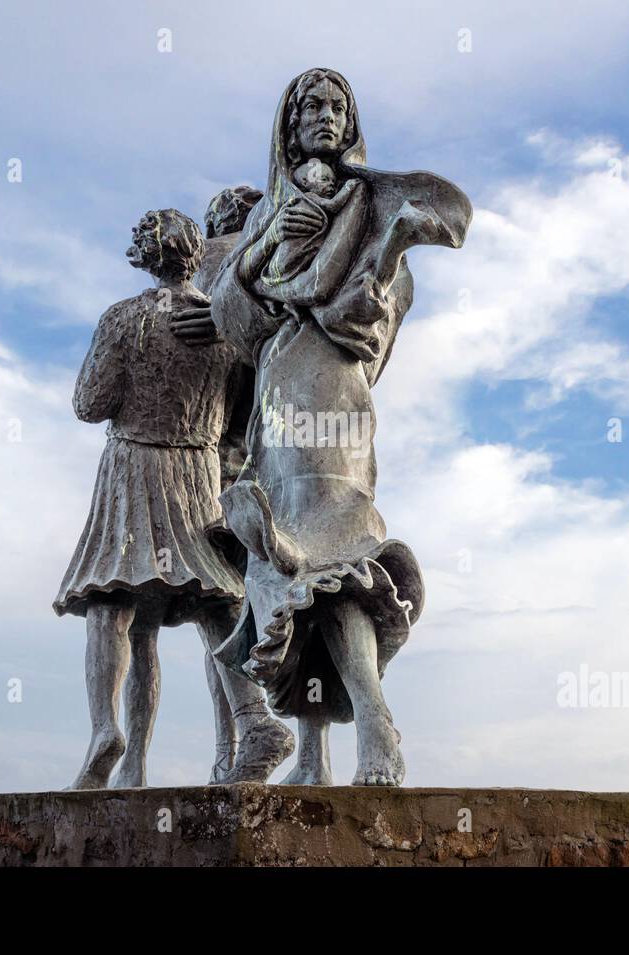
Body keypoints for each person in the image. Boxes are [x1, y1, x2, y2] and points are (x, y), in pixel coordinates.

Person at [189, 68, 471, 786]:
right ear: (288, 125)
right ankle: (313, 752)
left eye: (336, 106)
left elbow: (373, 327)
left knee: (330, 551)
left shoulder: (371, 203)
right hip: (279, 397)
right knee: (283, 564)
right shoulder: (267, 212)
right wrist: (267, 242)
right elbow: (235, 317)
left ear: (350, 124)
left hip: (331, 394)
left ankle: (376, 723)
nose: (323, 115)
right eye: (309, 106)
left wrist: (362, 271)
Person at [54, 207, 293, 789]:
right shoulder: (223, 329)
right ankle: (242, 721)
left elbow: (89, 403)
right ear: (197, 256)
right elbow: (250, 402)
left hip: (134, 467)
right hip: (197, 469)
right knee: (214, 599)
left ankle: (106, 732)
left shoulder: (125, 318)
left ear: (144, 257)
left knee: (114, 602)